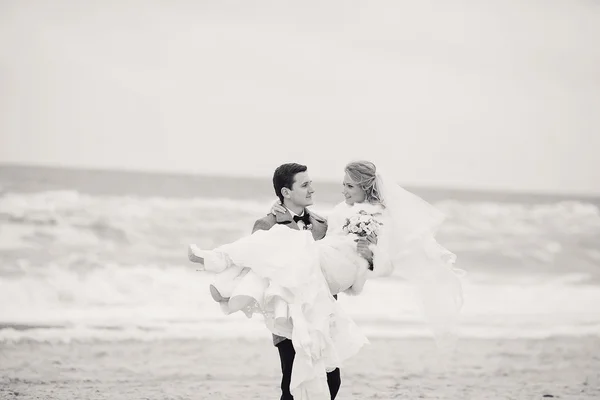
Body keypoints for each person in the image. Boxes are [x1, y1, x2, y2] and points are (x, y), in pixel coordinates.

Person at [189, 160, 462, 400]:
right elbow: (256, 260)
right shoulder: (266, 224)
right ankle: (221, 279)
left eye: (311, 184)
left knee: (332, 380)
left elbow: (346, 258)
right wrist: (281, 223)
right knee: (291, 381)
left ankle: (219, 276)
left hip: (323, 308)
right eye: (305, 185)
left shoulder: (324, 222)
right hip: (287, 313)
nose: (312, 190)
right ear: (286, 192)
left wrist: (370, 256)